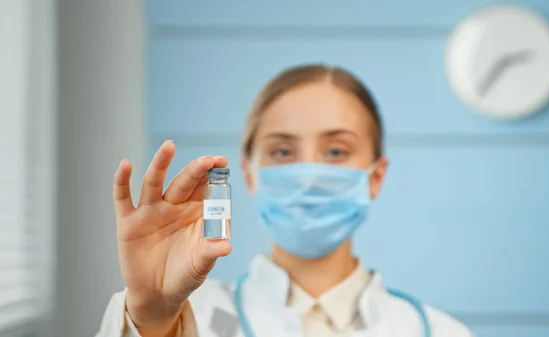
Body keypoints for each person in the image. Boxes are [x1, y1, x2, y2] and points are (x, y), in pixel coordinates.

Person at [96, 64, 473, 337]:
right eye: (282, 152)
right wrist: (150, 314)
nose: (308, 174)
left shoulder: (440, 332)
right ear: (248, 174)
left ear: (375, 177)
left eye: (337, 152)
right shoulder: (186, 317)